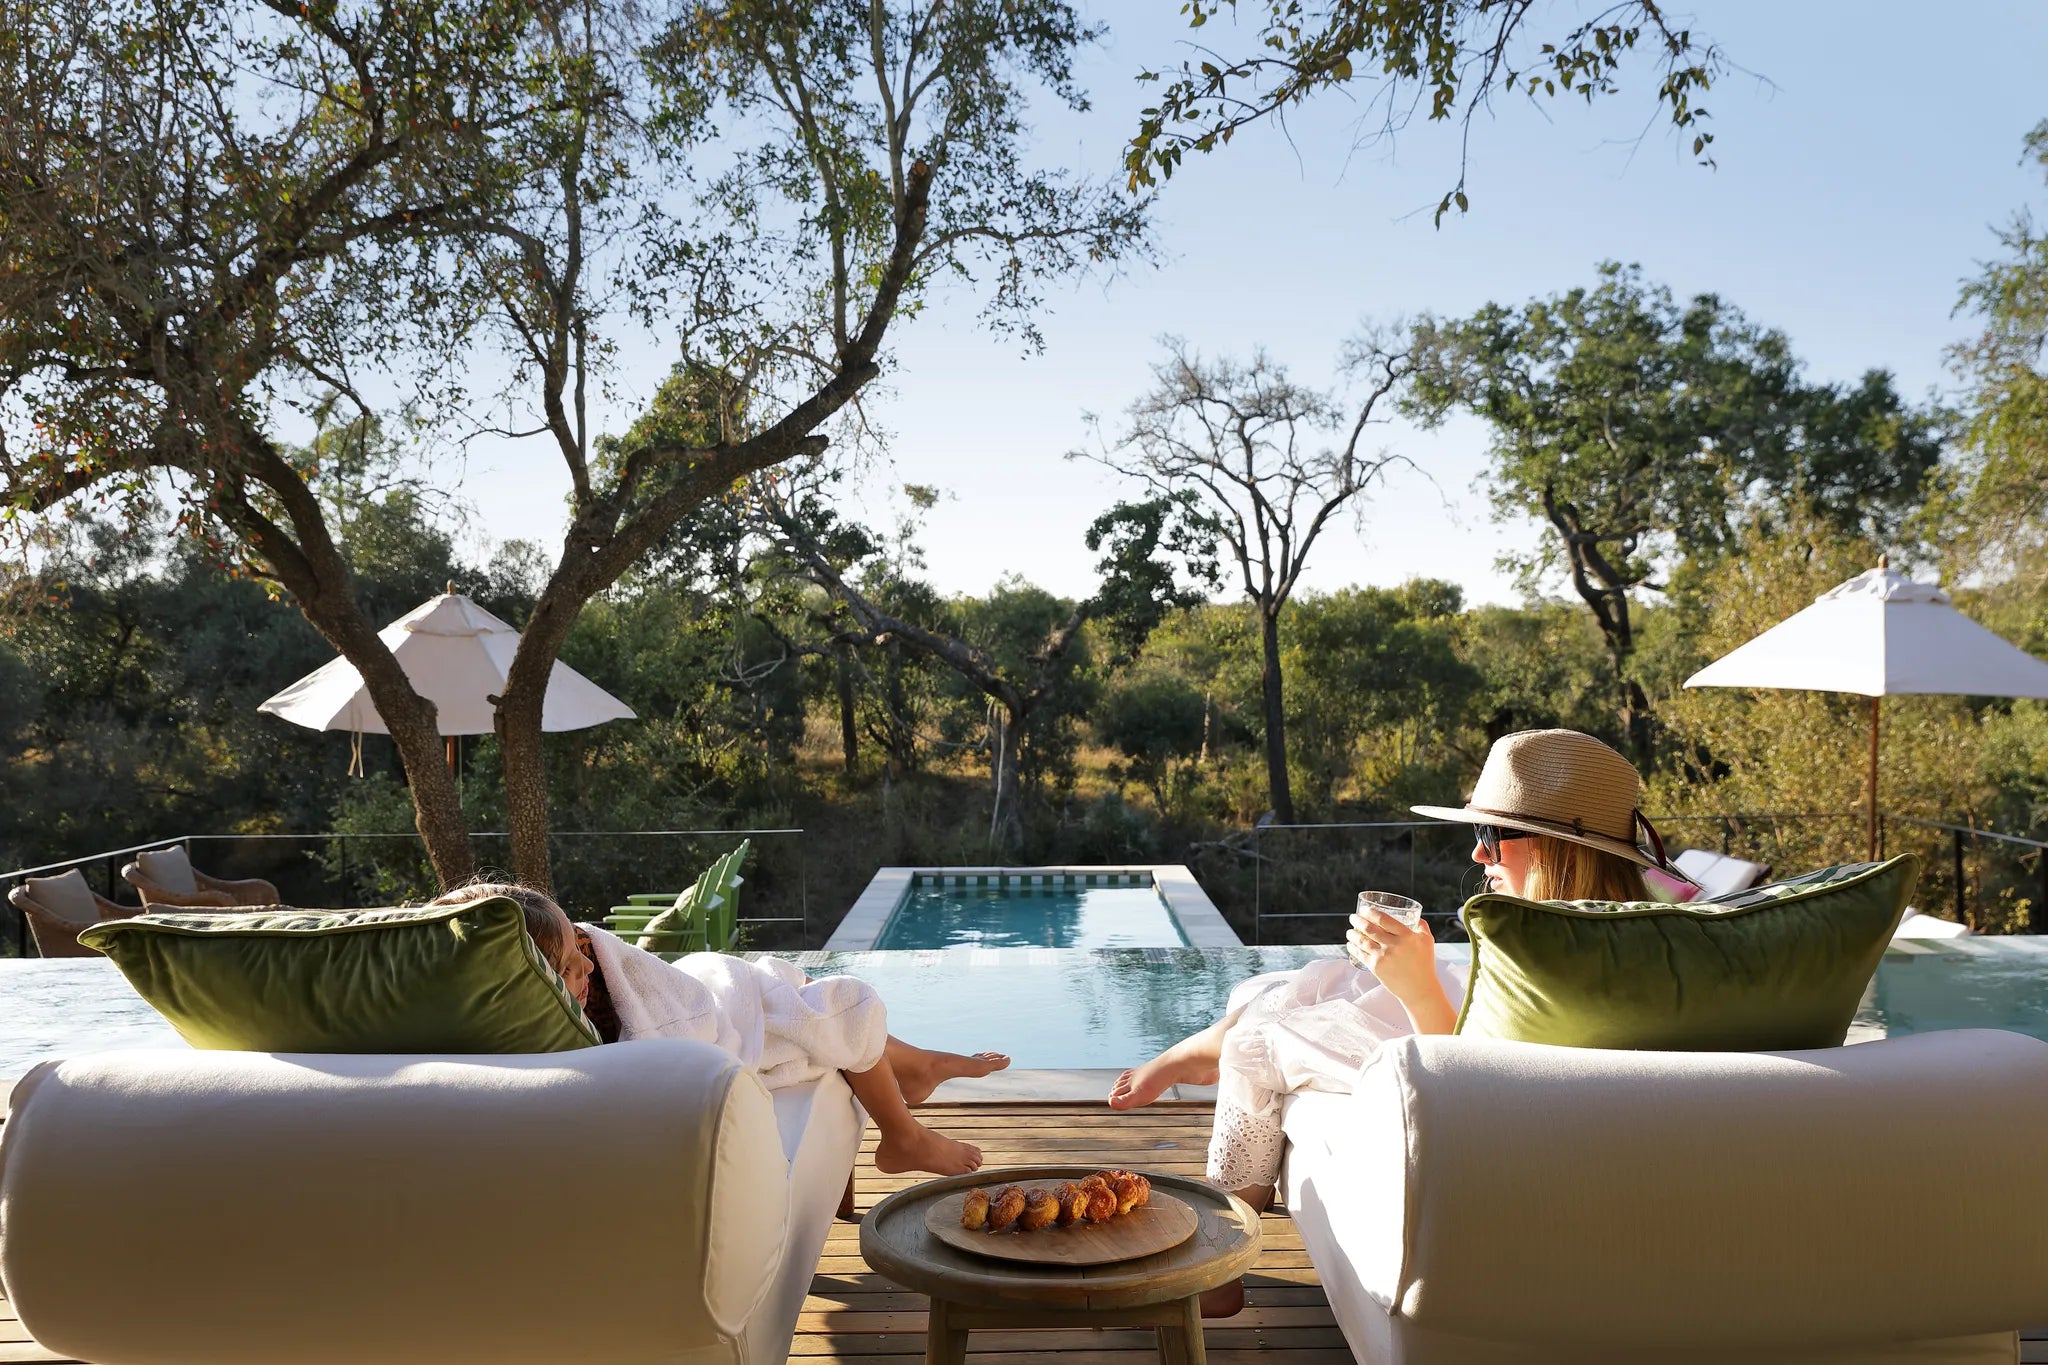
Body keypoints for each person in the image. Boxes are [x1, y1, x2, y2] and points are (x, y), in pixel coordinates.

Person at [1108, 729, 1669, 1261]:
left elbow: (1486, 1089)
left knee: (1257, 1043)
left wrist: (1420, 989)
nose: (1478, 856)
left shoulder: (1571, 960)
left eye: (1492, 837)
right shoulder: (1628, 942)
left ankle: (1219, 1250)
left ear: (1559, 849)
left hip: (1449, 1065)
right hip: (1456, 1044)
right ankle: (1197, 1053)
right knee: (1331, 980)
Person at [428, 881, 1007, 1177]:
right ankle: (907, 1119)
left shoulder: (597, 974)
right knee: (842, 1008)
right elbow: (685, 1049)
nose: (585, 965)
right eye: (569, 966)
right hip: (721, 1010)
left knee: (816, 1006)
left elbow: (678, 1004)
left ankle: (920, 1075)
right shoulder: (541, 1031)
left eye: (584, 949)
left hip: (708, 988)